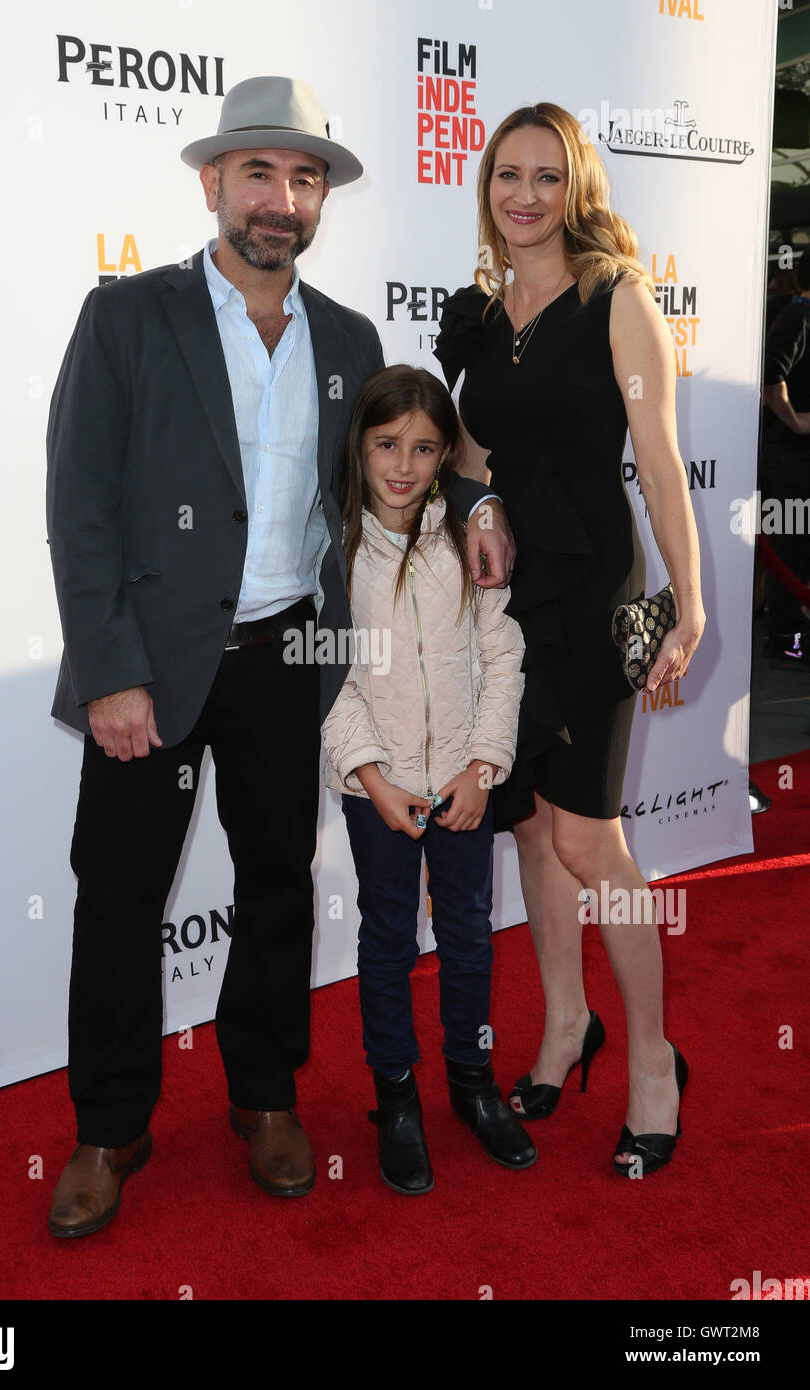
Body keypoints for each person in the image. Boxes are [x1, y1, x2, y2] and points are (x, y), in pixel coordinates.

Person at [45, 76, 499, 1236]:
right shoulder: (128, 318)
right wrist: (108, 668)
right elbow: (80, 502)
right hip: (149, 659)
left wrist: (478, 501)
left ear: (320, 201)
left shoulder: (347, 337)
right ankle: (109, 1123)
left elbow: (401, 467)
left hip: (290, 656)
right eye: (258, 173)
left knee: (277, 888)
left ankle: (263, 1097)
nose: (281, 199)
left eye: (303, 180)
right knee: (117, 897)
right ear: (212, 183)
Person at [434, 103, 705, 1177]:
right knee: (532, 832)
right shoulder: (485, 308)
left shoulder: (613, 297)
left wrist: (688, 606)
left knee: (589, 837)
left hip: (592, 589)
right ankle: (560, 1024)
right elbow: (468, 445)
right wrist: (477, 509)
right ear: (487, 186)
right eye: (508, 175)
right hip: (508, 597)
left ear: (576, 186)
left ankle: (649, 1058)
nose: (525, 195)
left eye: (548, 176)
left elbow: (660, 457)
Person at [322, 366, 534, 1194]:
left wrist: (482, 768)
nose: (402, 466)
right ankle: (396, 1097)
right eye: (385, 445)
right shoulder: (331, 545)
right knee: (385, 940)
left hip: (462, 780)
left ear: (447, 453)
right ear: (359, 447)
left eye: (421, 447)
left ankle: (473, 1084)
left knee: (470, 937)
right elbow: (327, 678)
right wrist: (371, 777)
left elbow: (501, 652)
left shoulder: (468, 536)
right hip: (376, 786)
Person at [761, 249, 810, 668]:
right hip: (790, 459)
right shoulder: (800, 313)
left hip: (796, 457)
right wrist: (795, 422)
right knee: (791, 548)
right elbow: (770, 373)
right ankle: (787, 641)